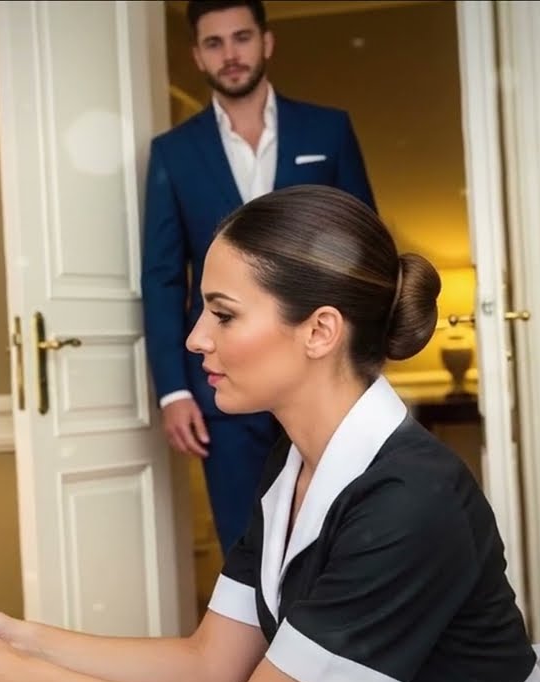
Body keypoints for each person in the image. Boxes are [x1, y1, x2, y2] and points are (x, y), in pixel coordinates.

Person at [0, 186, 540, 682]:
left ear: (320, 331)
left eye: (223, 314)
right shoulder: (293, 460)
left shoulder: (408, 501)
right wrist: (22, 641)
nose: (195, 339)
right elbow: (210, 664)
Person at [144, 0, 377, 554]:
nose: (230, 54)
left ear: (267, 42)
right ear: (197, 55)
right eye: (214, 42)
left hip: (321, 365)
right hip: (223, 376)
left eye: (242, 37)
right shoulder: (174, 153)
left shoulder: (327, 130)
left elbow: (364, 253)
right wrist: (174, 390)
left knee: (340, 527)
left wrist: (363, 359)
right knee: (246, 541)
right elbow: (162, 277)